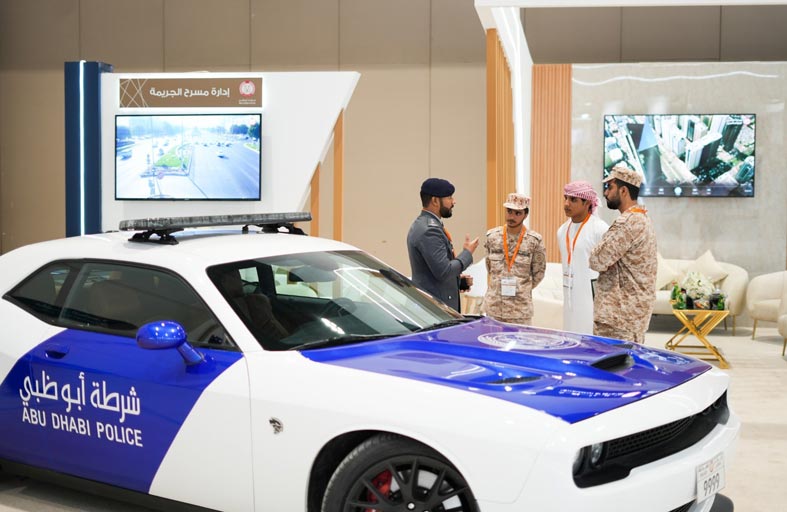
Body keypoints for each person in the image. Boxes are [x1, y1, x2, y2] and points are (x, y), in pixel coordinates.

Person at [589, 167, 657, 343]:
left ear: (624, 190)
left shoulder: (627, 223)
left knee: (612, 360)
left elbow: (597, 260)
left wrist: (595, 251)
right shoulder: (642, 218)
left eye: (610, 187)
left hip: (618, 317)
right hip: (630, 316)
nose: (605, 193)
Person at [407, 178, 478, 312]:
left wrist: (458, 282)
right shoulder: (429, 230)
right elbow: (444, 272)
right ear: (435, 201)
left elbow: (435, 272)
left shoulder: (426, 224)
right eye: (449, 197)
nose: (453, 202)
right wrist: (467, 254)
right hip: (434, 310)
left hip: (435, 305)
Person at [483, 193, 546, 325]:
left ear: (525, 215)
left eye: (517, 213)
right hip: (494, 308)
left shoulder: (534, 241)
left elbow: (539, 273)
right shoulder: (492, 237)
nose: (511, 217)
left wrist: (522, 288)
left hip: (520, 311)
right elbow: (489, 268)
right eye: (509, 211)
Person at [557, 181, 609, 334]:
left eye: (573, 200)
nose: (566, 204)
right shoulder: (562, 230)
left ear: (587, 203)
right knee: (570, 335)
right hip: (569, 297)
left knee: (590, 337)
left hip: (591, 300)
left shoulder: (600, 229)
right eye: (566, 198)